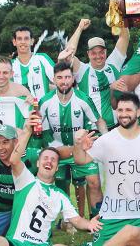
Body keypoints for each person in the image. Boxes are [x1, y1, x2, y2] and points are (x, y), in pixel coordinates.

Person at [0, 117, 100, 246]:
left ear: (56, 168)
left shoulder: (60, 195)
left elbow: (76, 220)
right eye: (45, 158)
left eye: (53, 160)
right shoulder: (25, 180)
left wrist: (89, 224)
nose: (49, 162)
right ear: (38, 163)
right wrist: (27, 131)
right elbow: (15, 159)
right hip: (15, 244)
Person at [72, 93, 140, 246]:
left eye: (128, 109)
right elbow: (81, 160)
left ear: (138, 112)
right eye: (120, 110)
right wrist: (78, 144)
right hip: (113, 213)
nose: (123, 114)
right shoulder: (107, 140)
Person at [39, 61, 107, 216]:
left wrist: (107, 139)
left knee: (94, 182)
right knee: (62, 184)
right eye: (60, 77)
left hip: (82, 150)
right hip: (58, 151)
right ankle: (67, 219)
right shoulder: (45, 101)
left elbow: (99, 120)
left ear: (73, 78)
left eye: (68, 77)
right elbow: (38, 127)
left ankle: (97, 218)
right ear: (54, 80)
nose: (64, 81)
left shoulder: (83, 98)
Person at [71, 24, 130, 130]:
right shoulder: (82, 69)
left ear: (106, 52)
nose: (98, 56)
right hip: (92, 129)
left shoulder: (113, 63)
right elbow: (68, 52)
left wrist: (120, 16)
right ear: (88, 54)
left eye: (101, 52)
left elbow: (124, 37)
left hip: (117, 126)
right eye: (94, 53)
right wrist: (79, 28)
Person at [11, 26, 56, 100]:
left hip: (42, 109)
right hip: (21, 110)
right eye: (19, 39)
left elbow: (58, 78)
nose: (23, 42)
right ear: (14, 42)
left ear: (32, 41)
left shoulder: (42, 58)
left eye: (26, 38)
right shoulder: (10, 65)